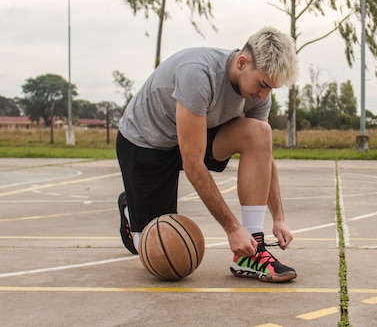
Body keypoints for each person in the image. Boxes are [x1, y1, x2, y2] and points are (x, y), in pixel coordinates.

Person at [116, 26, 299, 283]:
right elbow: (192, 163)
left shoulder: (258, 94)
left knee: (260, 132)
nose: (264, 95)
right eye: (263, 85)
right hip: (146, 142)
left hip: (199, 132)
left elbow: (264, 154)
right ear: (242, 62)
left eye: (271, 89)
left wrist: (279, 218)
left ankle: (252, 252)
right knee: (155, 248)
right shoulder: (198, 74)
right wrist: (232, 228)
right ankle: (130, 212)